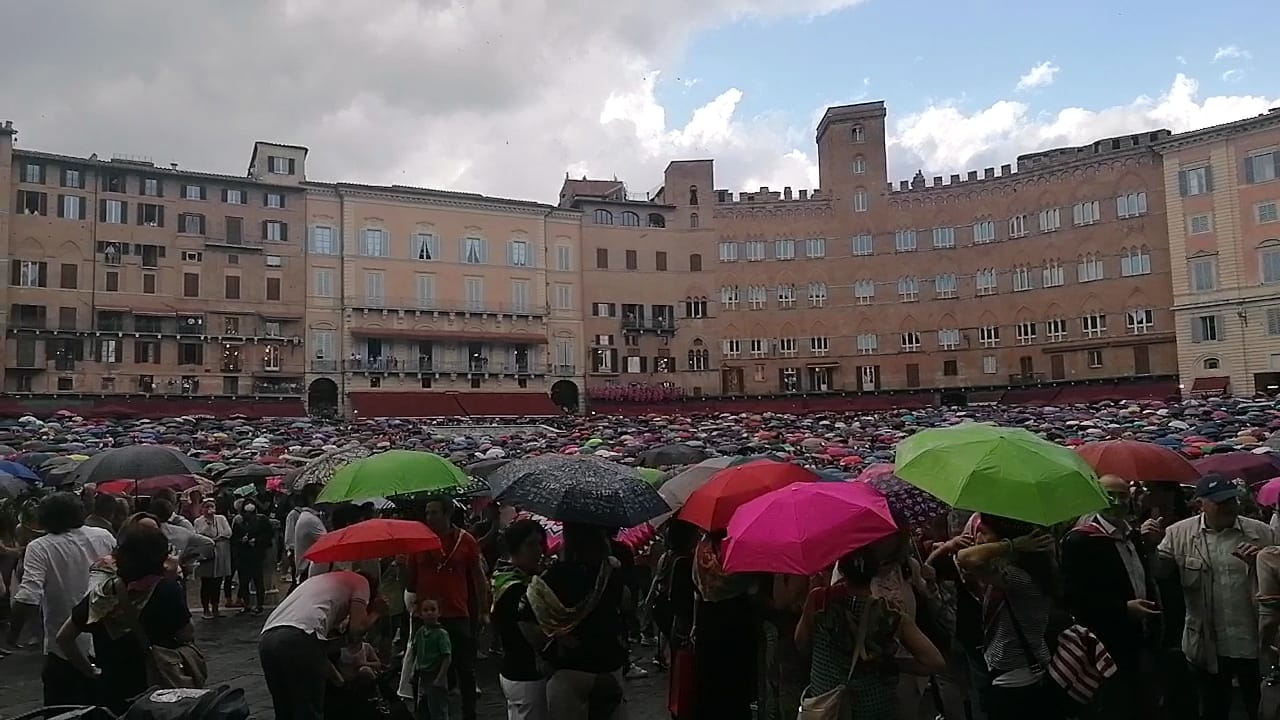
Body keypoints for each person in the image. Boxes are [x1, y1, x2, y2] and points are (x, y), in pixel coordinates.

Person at [1156, 472, 1276, 720]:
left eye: (1231, 500)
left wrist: (1262, 562)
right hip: (1208, 643)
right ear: (1200, 504)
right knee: (1213, 708)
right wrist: (1149, 547)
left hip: (1255, 642)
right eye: (1220, 502)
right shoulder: (1178, 535)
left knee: (1262, 707)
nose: (1229, 507)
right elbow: (1159, 576)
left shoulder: (1262, 533)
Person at [57, 518, 194, 714]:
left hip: (112, 687)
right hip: (157, 686)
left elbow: (64, 637)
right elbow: (186, 634)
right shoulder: (167, 590)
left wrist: (89, 669)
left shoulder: (103, 593)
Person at [795, 545, 946, 720]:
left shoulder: (819, 600)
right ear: (876, 571)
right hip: (874, 707)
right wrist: (893, 664)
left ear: (841, 570)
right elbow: (935, 662)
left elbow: (801, 643)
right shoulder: (889, 614)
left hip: (826, 705)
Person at [1060, 474, 1161, 719]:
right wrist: (1123, 608)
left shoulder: (1133, 535)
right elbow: (1075, 597)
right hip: (1104, 643)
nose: (1117, 502)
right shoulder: (1080, 540)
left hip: (1141, 637)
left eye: (1122, 496)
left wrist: (1150, 547)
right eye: (1109, 496)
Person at [7, 492, 116, 706]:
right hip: (106, 637)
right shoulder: (103, 536)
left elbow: (28, 595)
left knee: (62, 709)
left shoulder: (40, 547)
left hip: (63, 647)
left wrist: (13, 633)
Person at [956, 514, 1061, 720]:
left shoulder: (1019, 578)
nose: (978, 538)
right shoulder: (1031, 571)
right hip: (1024, 667)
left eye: (984, 533)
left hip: (1016, 676)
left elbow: (965, 558)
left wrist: (1011, 545)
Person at [521, 522, 628, 720]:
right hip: (609, 665)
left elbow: (526, 617)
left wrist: (548, 645)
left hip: (568, 667)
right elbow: (626, 605)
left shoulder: (553, 576)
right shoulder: (611, 571)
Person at [259, 569, 384, 720]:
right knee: (307, 709)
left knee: (284, 709)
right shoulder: (361, 582)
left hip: (268, 637)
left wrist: (338, 680)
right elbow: (356, 630)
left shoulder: (320, 583)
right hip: (300, 636)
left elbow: (320, 649)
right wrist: (376, 613)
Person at [405, 498, 487, 720]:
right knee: (424, 668)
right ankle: (425, 713)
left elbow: (478, 577)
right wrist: (401, 566)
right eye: (427, 513)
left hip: (457, 613)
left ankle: (469, 713)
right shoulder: (418, 542)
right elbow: (410, 584)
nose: (429, 517)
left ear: (448, 513)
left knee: (465, 669)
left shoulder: (465, 540)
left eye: (434, 512)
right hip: (427, 615)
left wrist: (483, 610)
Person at [691, 530, 757, 720]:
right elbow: (752, 589)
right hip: (737, 620)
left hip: (707, 618)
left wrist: (694, 624)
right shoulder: (741, 547)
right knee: (735, 684)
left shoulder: (701, 550)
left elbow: (697, 591)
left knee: (709, 681)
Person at [492, 519, 548, 720]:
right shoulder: (514, 588)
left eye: (540, 544)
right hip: (525, 671)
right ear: (515, 547)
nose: (538, 550)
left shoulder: (506, 576)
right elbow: (531, 631)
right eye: (531, 544)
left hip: (516, 670)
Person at [413, 597, 454, 720]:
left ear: (439, 613)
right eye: (425, 610)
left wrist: (440, 678)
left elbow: (447, 657)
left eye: (433, 609)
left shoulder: (441, 634)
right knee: (422, 708)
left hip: (435, 675)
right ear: (420, 614)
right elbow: (417, 653)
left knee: (438, 710)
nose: (429, 613)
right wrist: (413, 671)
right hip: (423, 676)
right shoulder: (420, 632)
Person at [232, 501, 274, 615]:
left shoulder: (262, 520)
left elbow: (269, 535)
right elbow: (234, 539)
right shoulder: (239, 522)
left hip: (257, 554)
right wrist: (242, 541)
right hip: (243, 555)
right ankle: (247, 604)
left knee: (258, 581)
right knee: (243, 582)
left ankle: (259, 605)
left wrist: (257, 541)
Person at [194, 500, 233, 619]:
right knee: (206, 583)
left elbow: (227, 532)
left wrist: (218, 537)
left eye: (211, 506)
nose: (209, 509)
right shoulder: (198, 521)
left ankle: (215, 608)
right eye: (206, 507)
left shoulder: (221, 519)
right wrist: (208, 524)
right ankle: (206, 609)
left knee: (217, 582)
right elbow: (199, 534)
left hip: (220, 554)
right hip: (206, 555)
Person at [293, 484, 328, 580]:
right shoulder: (310, 519)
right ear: (311, 498)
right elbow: (327, 542)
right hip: (308, 571)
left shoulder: (310, 517)